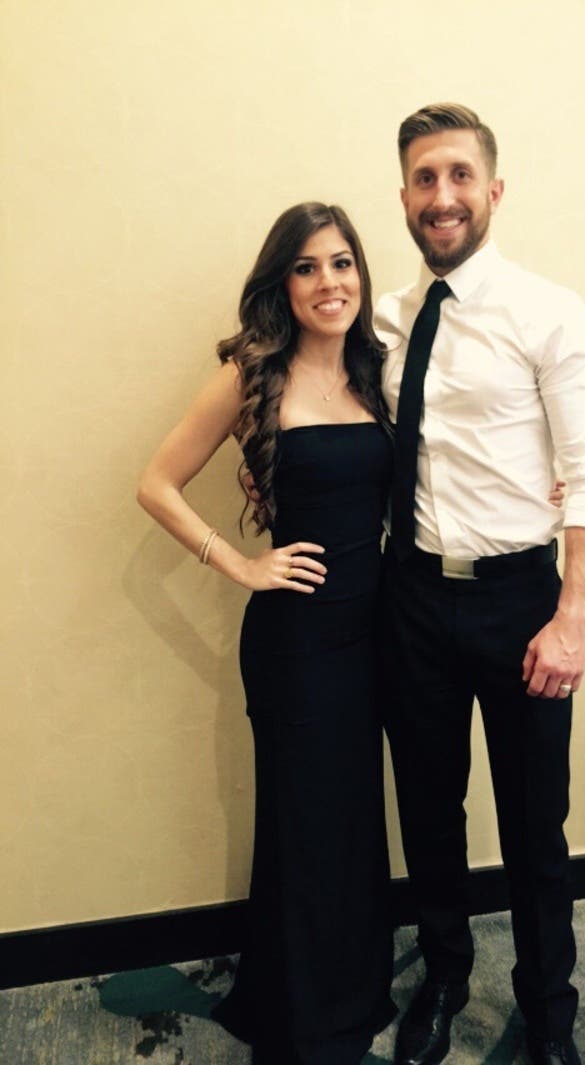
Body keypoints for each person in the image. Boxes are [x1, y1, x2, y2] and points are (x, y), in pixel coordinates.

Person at [375, 104, 585, 1065]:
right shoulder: (386, 320)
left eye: (459, 175)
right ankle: (444, 978)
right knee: (428, 811)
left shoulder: (548, 311)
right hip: (411, 595)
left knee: (533, 824)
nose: (442, 196)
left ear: (493, 190)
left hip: (521, 601)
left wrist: (574, 618)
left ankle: (549, 1010)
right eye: (424, 178)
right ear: (404, 195)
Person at [136, 202, 397, 1065]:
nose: (329, 282)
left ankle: (353, 986)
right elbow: (156, 483)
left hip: (376, 631)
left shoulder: (378, 369)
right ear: (281, 285)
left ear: (361, 274)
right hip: (297, 642)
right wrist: (241, 564)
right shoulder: (252, 376)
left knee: (354, 816)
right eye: (306, 267)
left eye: (342, 263)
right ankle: (303, 1016)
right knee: (305, 822)